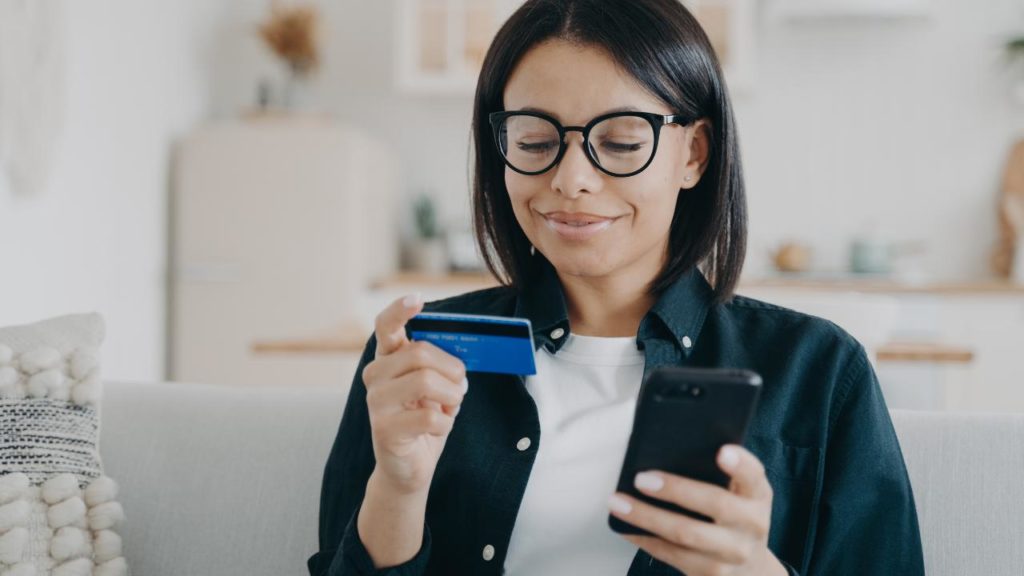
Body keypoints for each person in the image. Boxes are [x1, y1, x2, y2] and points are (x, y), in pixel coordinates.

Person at [307, 1, 925, 574]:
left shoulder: (818, 373)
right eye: (535, 142)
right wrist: (398, 488)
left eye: (622, 142)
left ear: (694, 155)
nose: (571, 179)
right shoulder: (422, 357)